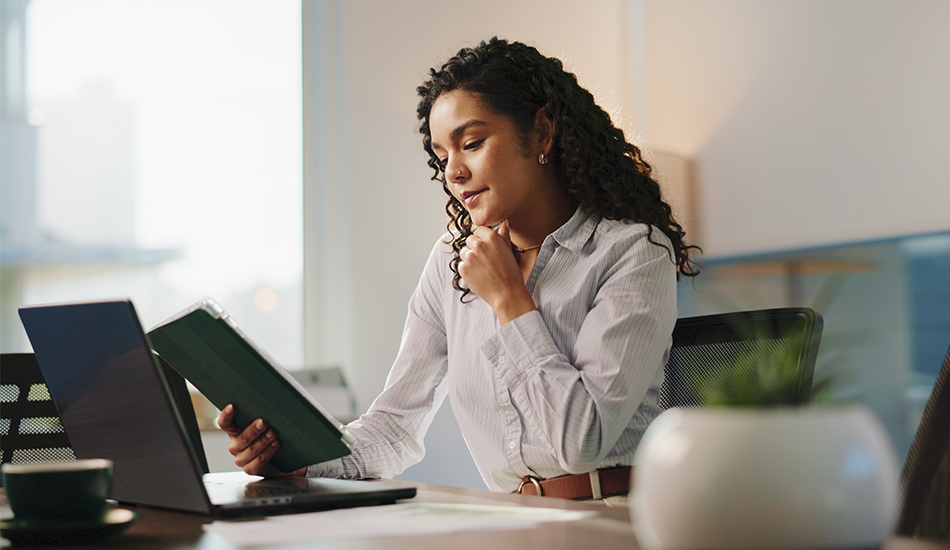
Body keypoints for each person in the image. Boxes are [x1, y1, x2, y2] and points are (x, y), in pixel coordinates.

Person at [218, 37, 699, 500]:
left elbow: (581, 442)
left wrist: (510, 301)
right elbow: (394, 427)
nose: (452, 172)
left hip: (609, 519)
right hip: (510, 520)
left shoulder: (631, 252)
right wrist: (299, 459)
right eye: (442, 155)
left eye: (471, 143)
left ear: (542, 131)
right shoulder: (450, 261)